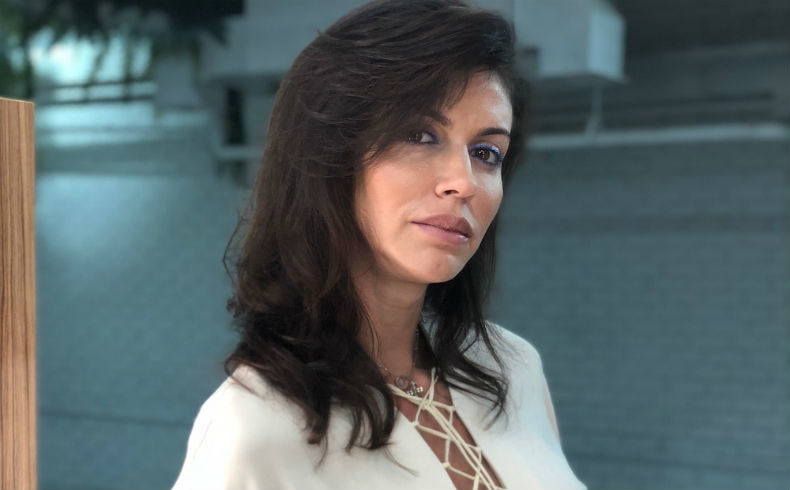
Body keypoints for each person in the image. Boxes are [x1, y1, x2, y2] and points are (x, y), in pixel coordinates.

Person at [172, 1, 585, 489]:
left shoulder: (513, 370)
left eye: (486, 152)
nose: (464, 182)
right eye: (420, 135)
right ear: (329, 156)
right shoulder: (255, 430)